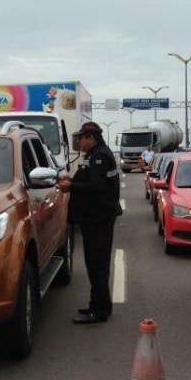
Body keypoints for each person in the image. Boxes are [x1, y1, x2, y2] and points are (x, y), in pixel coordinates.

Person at [57, 122, 120, 324]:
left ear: (91, 138)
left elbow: (96, 186)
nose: (79, 142)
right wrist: (71, 180)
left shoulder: (100, 156)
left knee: (97, 265)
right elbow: (88, 179)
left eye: (81, 139)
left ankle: (99, 311)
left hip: (98, 219)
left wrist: (71, 186)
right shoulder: (94, 154)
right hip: (94, 218)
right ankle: (98, 305)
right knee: (94, 264)